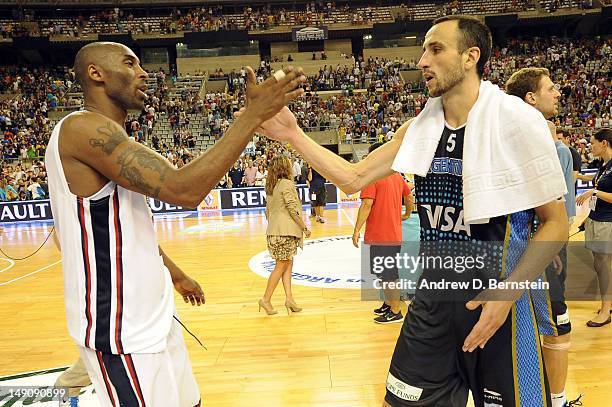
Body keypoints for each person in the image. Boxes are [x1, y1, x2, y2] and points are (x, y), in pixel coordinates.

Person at [243, 15, 568, 407]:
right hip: (434, 297)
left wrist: (505, 296)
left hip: (497, 299)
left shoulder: (516, 121)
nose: (422, 61)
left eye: (435, 49)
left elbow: (556, 224)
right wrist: (292, 134)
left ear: (470, 57)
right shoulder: (418, 129)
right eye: (423, 50)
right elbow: (352, 177)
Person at [45, 41, 305, 407]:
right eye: (129, 63)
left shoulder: (109, 136)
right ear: (96, 73)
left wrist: (175, 274)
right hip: (120, 329)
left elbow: (126, 226)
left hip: (152, 318)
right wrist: (252, 116)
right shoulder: (82, 130)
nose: (143, 72)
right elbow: (183, 189)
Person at [505, 67, 578, 407]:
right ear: (530, 98)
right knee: (552, 332)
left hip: (530, 253)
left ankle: (554, 398)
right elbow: (558, 214)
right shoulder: (543, 144)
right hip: (532, 257)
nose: (558, 92)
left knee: (548, 331)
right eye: (551, 88)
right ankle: (556, 400)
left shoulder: (538, 143)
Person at [352, 142, 413, 324]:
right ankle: (388, 303)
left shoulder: (372, 178)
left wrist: (356, 230)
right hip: (392, 234)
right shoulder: (395, 175)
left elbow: (366, 204)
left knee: (388, 274)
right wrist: (407, 213)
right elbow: (408, 195)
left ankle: (396, 311)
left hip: (381, 235)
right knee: (384, 272)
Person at [259, 155, 311, 315]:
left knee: (287, 264)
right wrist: (304, 227)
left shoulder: (271, 186)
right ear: (285, 167)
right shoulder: (287, 184)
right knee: (281, 265)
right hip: (285, 232)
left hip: (274, 232)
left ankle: (289, 299)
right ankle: (265, 300)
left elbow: (268, 212)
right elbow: (292, 208)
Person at [576, 128, 612, 328]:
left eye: (593, 143)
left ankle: (605, 311)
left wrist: (594, 192)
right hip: (597, 220)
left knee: (603, 267)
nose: (591, 147)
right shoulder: (603, 165)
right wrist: (588, 217)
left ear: (604, 143)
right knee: (602, 267)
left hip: (607, 223)